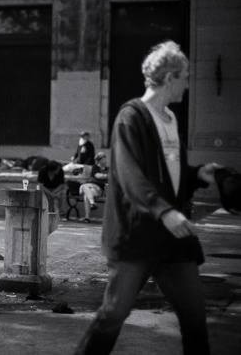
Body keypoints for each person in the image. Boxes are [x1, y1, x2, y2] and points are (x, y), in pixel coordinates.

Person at [74, 41, 221, 355]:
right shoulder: (131, 117)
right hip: (136, 238)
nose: (187, 84)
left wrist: (198, 174)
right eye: (185, 77)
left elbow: (168, 175)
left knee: (195, 318)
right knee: (113, 315)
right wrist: (163, 211)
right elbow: (131, 176)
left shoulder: (170, 119)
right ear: (169, 78)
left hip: (172, 241)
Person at [79, 151, 108, 223]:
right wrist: (106, 176)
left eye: (105, 158)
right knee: (86, 189)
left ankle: (87, 216)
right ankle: (92, 204)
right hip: (91, 187)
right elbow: (97, 175)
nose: (105, 160)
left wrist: (104, 176)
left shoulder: (108, 169)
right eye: (103, 159)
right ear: (99, 160)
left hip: (99, 189)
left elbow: (102, 177)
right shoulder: (95, 167)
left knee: (85, 191)